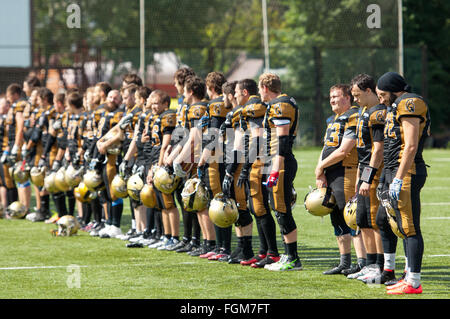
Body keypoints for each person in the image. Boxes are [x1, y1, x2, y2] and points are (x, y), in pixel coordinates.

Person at [375, 72, 430, 295]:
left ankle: (414, 282)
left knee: (409, 227)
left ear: (392, 89)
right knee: (397, 225)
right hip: (393, 171)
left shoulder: (409, 103)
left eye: (382, 94)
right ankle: (408, 275)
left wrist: (397, 178)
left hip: (406, 172)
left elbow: (410, 146)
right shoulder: (395, 106)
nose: (380, 99)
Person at [315, 84, 367, 275]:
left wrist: (321, 166)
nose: (332, 100)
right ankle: (344, 262)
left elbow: (344, 150)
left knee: (352, 217)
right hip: (332, 173)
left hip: (347, 171)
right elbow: (326, 146)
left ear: (348, 98)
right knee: (336, 218)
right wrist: (319, 169)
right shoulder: (333, 119)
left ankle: (362, 262)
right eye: (330, 97)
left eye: (336, 96)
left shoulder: (354, 116)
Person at [258, 73, 302, 271]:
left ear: (265, 88)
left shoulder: (279, 105)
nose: (259, 93)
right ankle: (289, 255)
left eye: (260, 89)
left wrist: (276, 168)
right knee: (279, 209)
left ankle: (292, 258)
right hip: (276, 161)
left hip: (280, 162)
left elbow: (282, 141)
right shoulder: (279, 104)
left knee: (282, 210)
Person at [235, 78, 280, 268]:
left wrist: (244, 167)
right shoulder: (252, 108)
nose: (235, 95)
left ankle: (272, 252)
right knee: (257, 208)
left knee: (260, 208)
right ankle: (264, 251)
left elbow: (257, 140)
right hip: (259, 160)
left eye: (237, 91)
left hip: (261, 161)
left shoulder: (254, 107)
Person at [347, 73, 386, 281]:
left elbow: (378, 150)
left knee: (373, 220)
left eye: (357, 94)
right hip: (363, 169)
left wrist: (368, 177)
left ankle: (379, 266)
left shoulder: (378, 113)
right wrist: (359, 177)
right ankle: (370, 264)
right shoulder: (364, 111)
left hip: (374, 171)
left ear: (369, 91)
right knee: (362, 220)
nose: (355, 99)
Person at [145, 90, 179, 250]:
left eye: (157, 103)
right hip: (154, 161)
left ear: (166, 103)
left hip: (164, 164)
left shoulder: (168, 116)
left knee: (168, 203)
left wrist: (158, 166)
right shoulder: (157, 118)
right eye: (152, 103)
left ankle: (174, 237)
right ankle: (166, 235)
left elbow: (165, 144)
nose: (153, 106)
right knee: (161, 204)